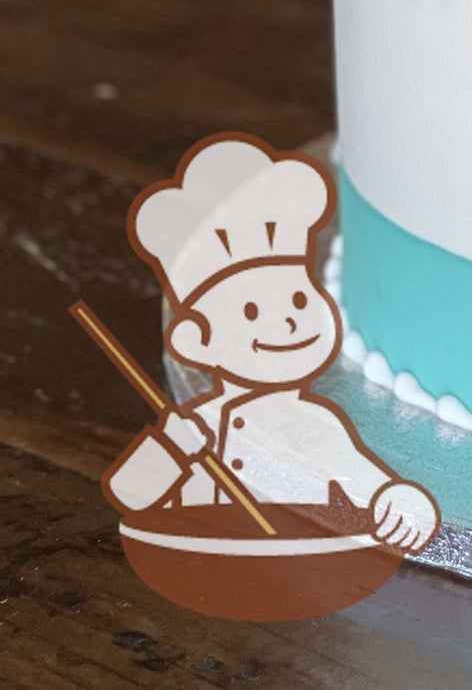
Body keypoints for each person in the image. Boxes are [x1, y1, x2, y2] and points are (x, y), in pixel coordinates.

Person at [103, 135, 438, 552]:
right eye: (250, 313)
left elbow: (374, 486)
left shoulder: (321, 428)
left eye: (298, 300)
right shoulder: (197, 422)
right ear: (197, 343)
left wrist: (398, 501)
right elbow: (134, 488)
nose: (286, 321)